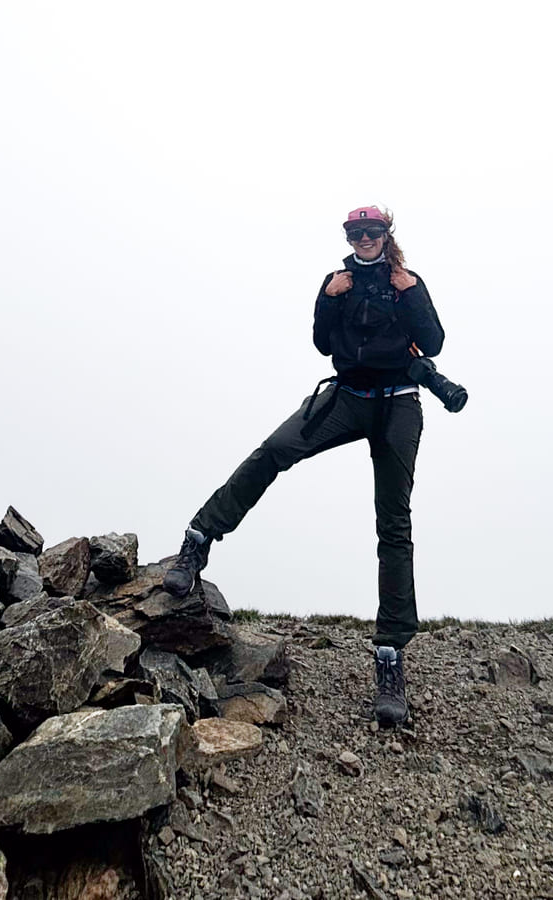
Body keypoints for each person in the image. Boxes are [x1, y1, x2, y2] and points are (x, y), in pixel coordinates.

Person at [162, 205, 446, 726]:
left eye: (373, 231)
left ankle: (390, 659)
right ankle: (196, 544)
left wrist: (409, 293)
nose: (364, 239)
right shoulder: (335, 281)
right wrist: (328, 299)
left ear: (386, 235)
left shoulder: (408, 281)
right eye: (355, 232)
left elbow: (433, 342)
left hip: (399, 404)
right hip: (345, 397)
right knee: (273, 450)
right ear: (348, 237)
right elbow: (322, 344)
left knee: (394, 523)